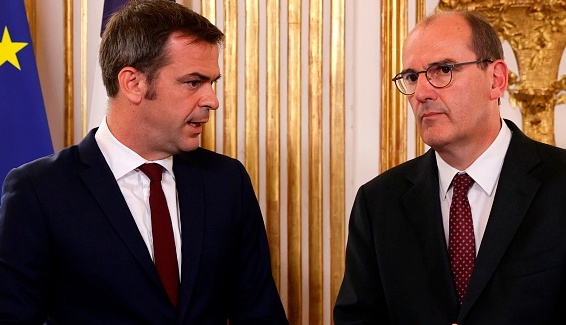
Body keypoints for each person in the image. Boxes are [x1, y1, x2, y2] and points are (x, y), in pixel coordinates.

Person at [0, 1, 287, 324]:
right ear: (133, 83)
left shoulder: (226, 181)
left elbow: (260, 314)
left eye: (212, 83)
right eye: (193, 82)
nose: (212, 100)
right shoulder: (39, 191)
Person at [334, 10, 566, 325]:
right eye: (412, 77)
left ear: (496, 79)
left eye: (443, 69)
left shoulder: (560, 182)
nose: (421, 93)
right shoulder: (378, 203)